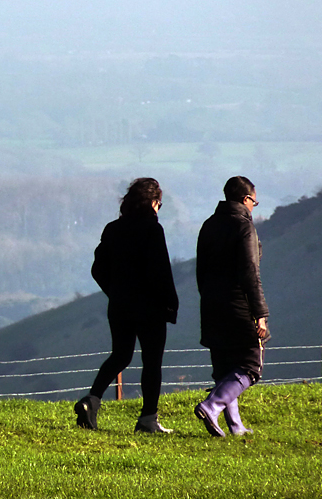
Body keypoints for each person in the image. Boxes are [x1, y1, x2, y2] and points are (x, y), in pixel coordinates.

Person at [75, 178, 179, 433]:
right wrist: (170, 303)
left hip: (120, 307)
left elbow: (97, 268)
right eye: (159, 204)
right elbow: (161, 271)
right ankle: (147, 419)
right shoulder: (153, 230)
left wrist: (115, 292)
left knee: (120, 355)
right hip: (150, 308)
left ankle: (92, 400)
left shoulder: (113, 229)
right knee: (152, 362)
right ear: (153, 203)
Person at [194, 176, 270, 437]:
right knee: (251, 366)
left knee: (225, 367)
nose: (253, 207)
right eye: (254, 202)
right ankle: (211, 406)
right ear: (245, 199)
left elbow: (200, 271)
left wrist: (209, 299)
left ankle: (235, 427)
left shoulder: (208, 225)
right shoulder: (244, 227)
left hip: (212, 305)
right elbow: (251, 274)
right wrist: (260, 315)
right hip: (239, 305)